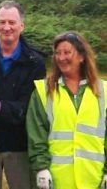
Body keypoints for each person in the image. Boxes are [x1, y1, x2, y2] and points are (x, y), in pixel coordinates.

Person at [0, 0, 46, 189]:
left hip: (19, 144)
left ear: (22, 26)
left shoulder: (35, 62)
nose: (7, 27)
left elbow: (27, 107)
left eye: (12, 23)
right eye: (2, 22)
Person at [27, 31, 107, 189]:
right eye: (57, 53)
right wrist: (41, 168)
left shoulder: (103, 91)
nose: (61, 58)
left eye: (67, 52)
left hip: (94, 181)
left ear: (82, 56)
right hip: (57, 181)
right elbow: (36, 134)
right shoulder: (44, 91)